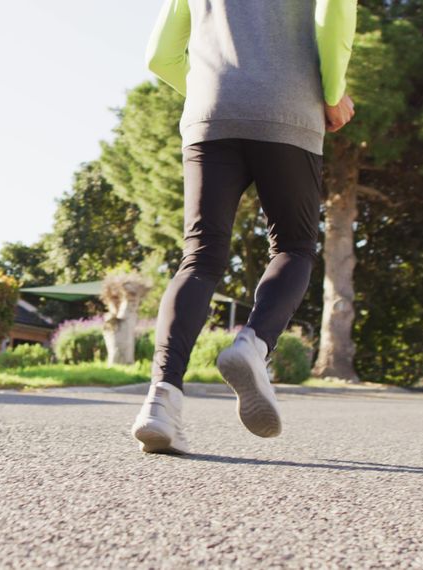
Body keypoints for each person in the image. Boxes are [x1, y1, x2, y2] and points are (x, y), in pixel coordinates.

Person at [131, 0, 358, 454]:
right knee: (293, 246)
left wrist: (212, 91)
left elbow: (159, 56)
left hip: (209, 114)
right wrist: (332, 94)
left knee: (199, 257)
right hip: (288, 108)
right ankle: (253, 345)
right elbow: (333, 16)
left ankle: (161, 400)